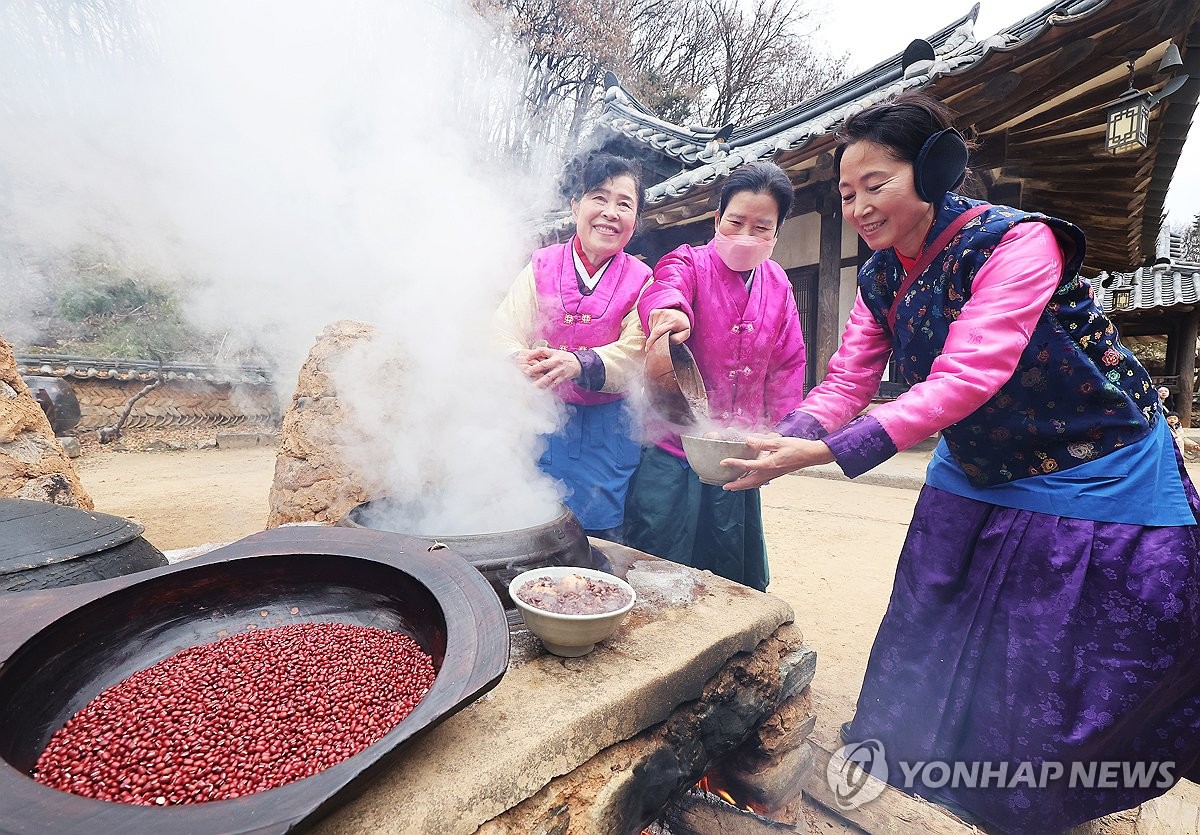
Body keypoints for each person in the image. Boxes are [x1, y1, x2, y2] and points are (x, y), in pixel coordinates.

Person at [724, 93, 1200, 832]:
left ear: (935, 169)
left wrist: (826, 449)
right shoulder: (883, 275)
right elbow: (848, 378)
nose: (858, 207)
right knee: (929, 604)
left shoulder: (1019, 243)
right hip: (976, 456)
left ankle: (1025, 797)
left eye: (875, 184)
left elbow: (967, 375)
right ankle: (909, 758)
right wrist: (784, 435)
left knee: (1050, 645)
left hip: (1090, 456)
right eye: (847, 194)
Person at [622, 161, 807, 591]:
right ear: (716, 220)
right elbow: (664, 286)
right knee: (658, 564)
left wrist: (782, 433)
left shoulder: (778, 283)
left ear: (777, 233)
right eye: (735, 221)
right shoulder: (688, 261)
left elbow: (787, 363)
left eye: (761, 227)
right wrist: (669, 312)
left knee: (728, 569)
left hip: (735, 450)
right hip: (672, 447)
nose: (746, 235)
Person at [494, 153, 651, 539]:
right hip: (540, 423)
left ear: (636, 219)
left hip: (607, 432)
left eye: (624, 203)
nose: (610, 213)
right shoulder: (541, 266)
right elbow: (501, 330)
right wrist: (517, 358)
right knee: (534, 528)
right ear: (575, 205)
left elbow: (637, 351)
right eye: (599, 197)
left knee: (596, 540)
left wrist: (580, 364)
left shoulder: (643, 279)